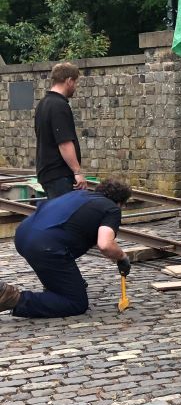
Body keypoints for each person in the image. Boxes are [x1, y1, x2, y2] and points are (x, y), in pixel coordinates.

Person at [0, 178, 133, 319]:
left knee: (65, 277)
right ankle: (12, 297)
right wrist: (122, 257)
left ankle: (55, 288)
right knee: (76, 302)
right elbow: (105, 245)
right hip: (45, 246)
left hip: (23, 235)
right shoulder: (111, 209)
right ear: (120, 203)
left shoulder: (79, 195)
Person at [35, 61, 85, 199]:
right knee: (65, 215)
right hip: (59, 174)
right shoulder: (59, 105)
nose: (75, 87)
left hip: (47, 172)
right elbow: (64, 142)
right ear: (69, 81)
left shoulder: (43, 104)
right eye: (75, 83)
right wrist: (77, 172)